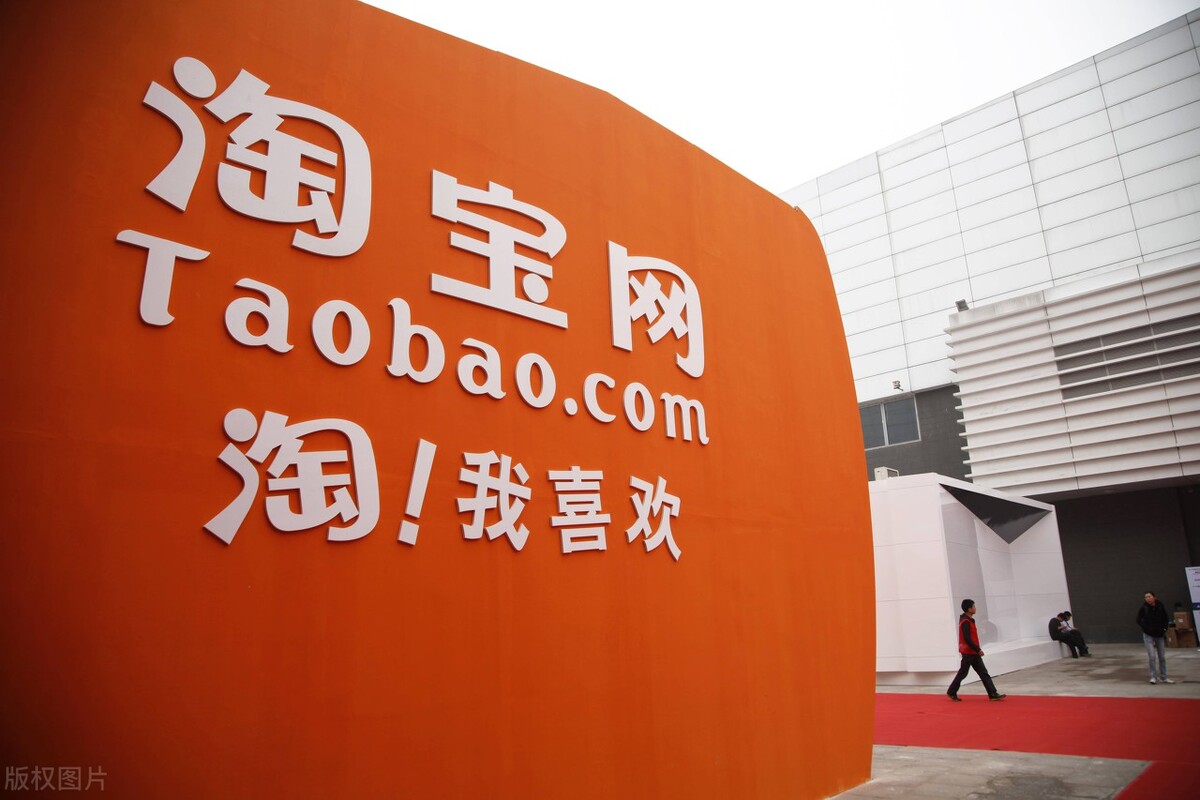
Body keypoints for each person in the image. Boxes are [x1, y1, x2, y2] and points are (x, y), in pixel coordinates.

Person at [947, 599, 1006, 702]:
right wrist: (978, 649)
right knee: (964, 673)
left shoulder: (968, 620)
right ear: (969, 609)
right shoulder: (966, 621)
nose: (975, 608)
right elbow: (967, 638)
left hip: (972, 652)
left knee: (982, 673)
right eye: (974, 606)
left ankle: (992, 694)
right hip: (968, 653)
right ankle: (951, 691)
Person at [1136, 591, 1174, 684]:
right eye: (1146, 597)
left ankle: (1164, 677)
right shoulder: (1144, 608)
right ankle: (1153, 677)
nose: (1147, 598)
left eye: (1149, 596)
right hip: (1148, 635)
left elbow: (1165, 618)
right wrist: (1146, 628)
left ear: (1154, 597)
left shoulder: (1160, 606)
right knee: (1152, 656)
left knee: (1162, 657)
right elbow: (1138, 619)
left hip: (1159, 635)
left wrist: (1164, 629)